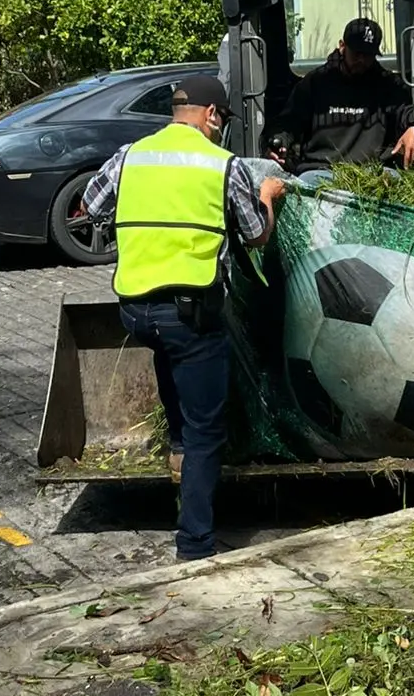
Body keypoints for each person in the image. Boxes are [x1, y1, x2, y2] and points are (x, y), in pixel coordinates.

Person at [82, 74, 285, 561]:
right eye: (223, 121)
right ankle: (194, 544)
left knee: (167, 353)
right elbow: (256, 235)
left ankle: (174, 444)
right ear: (212, 115)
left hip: (135, 311)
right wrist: (268, 197)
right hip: (190, 314)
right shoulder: (222, 165)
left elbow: (90, 206)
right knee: (206, 431)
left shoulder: (131, 157)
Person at [267, 17, 414, 174]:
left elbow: (405, 109)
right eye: (357, 53)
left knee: (393, 179)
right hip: (321, 170)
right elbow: (289, 121)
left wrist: (412, 126)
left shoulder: (388, 84)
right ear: (342, 46)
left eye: (368, 55)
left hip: (373, 172)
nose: (361, 60)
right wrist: (278, 142)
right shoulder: (316, 82)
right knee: (307, 181)